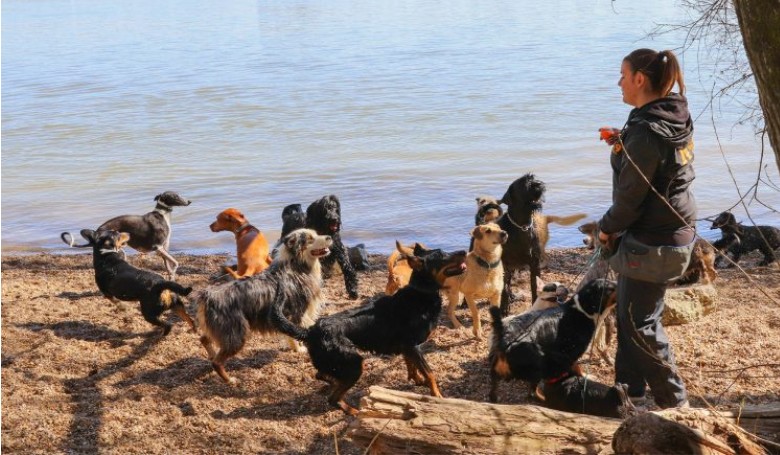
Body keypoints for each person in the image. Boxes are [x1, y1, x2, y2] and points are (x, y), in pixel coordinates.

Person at [597, 48, 696, 409]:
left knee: (641, 326)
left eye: (622, 75)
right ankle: (629, 395)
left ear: (639, 79)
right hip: (669, 232)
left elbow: (629, 201)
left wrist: (605, 230)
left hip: (654, 244)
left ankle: (676, 406)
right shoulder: (672, 113)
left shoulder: (646, 131)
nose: (618, 82)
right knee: (627, 317)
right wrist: (621, 146)